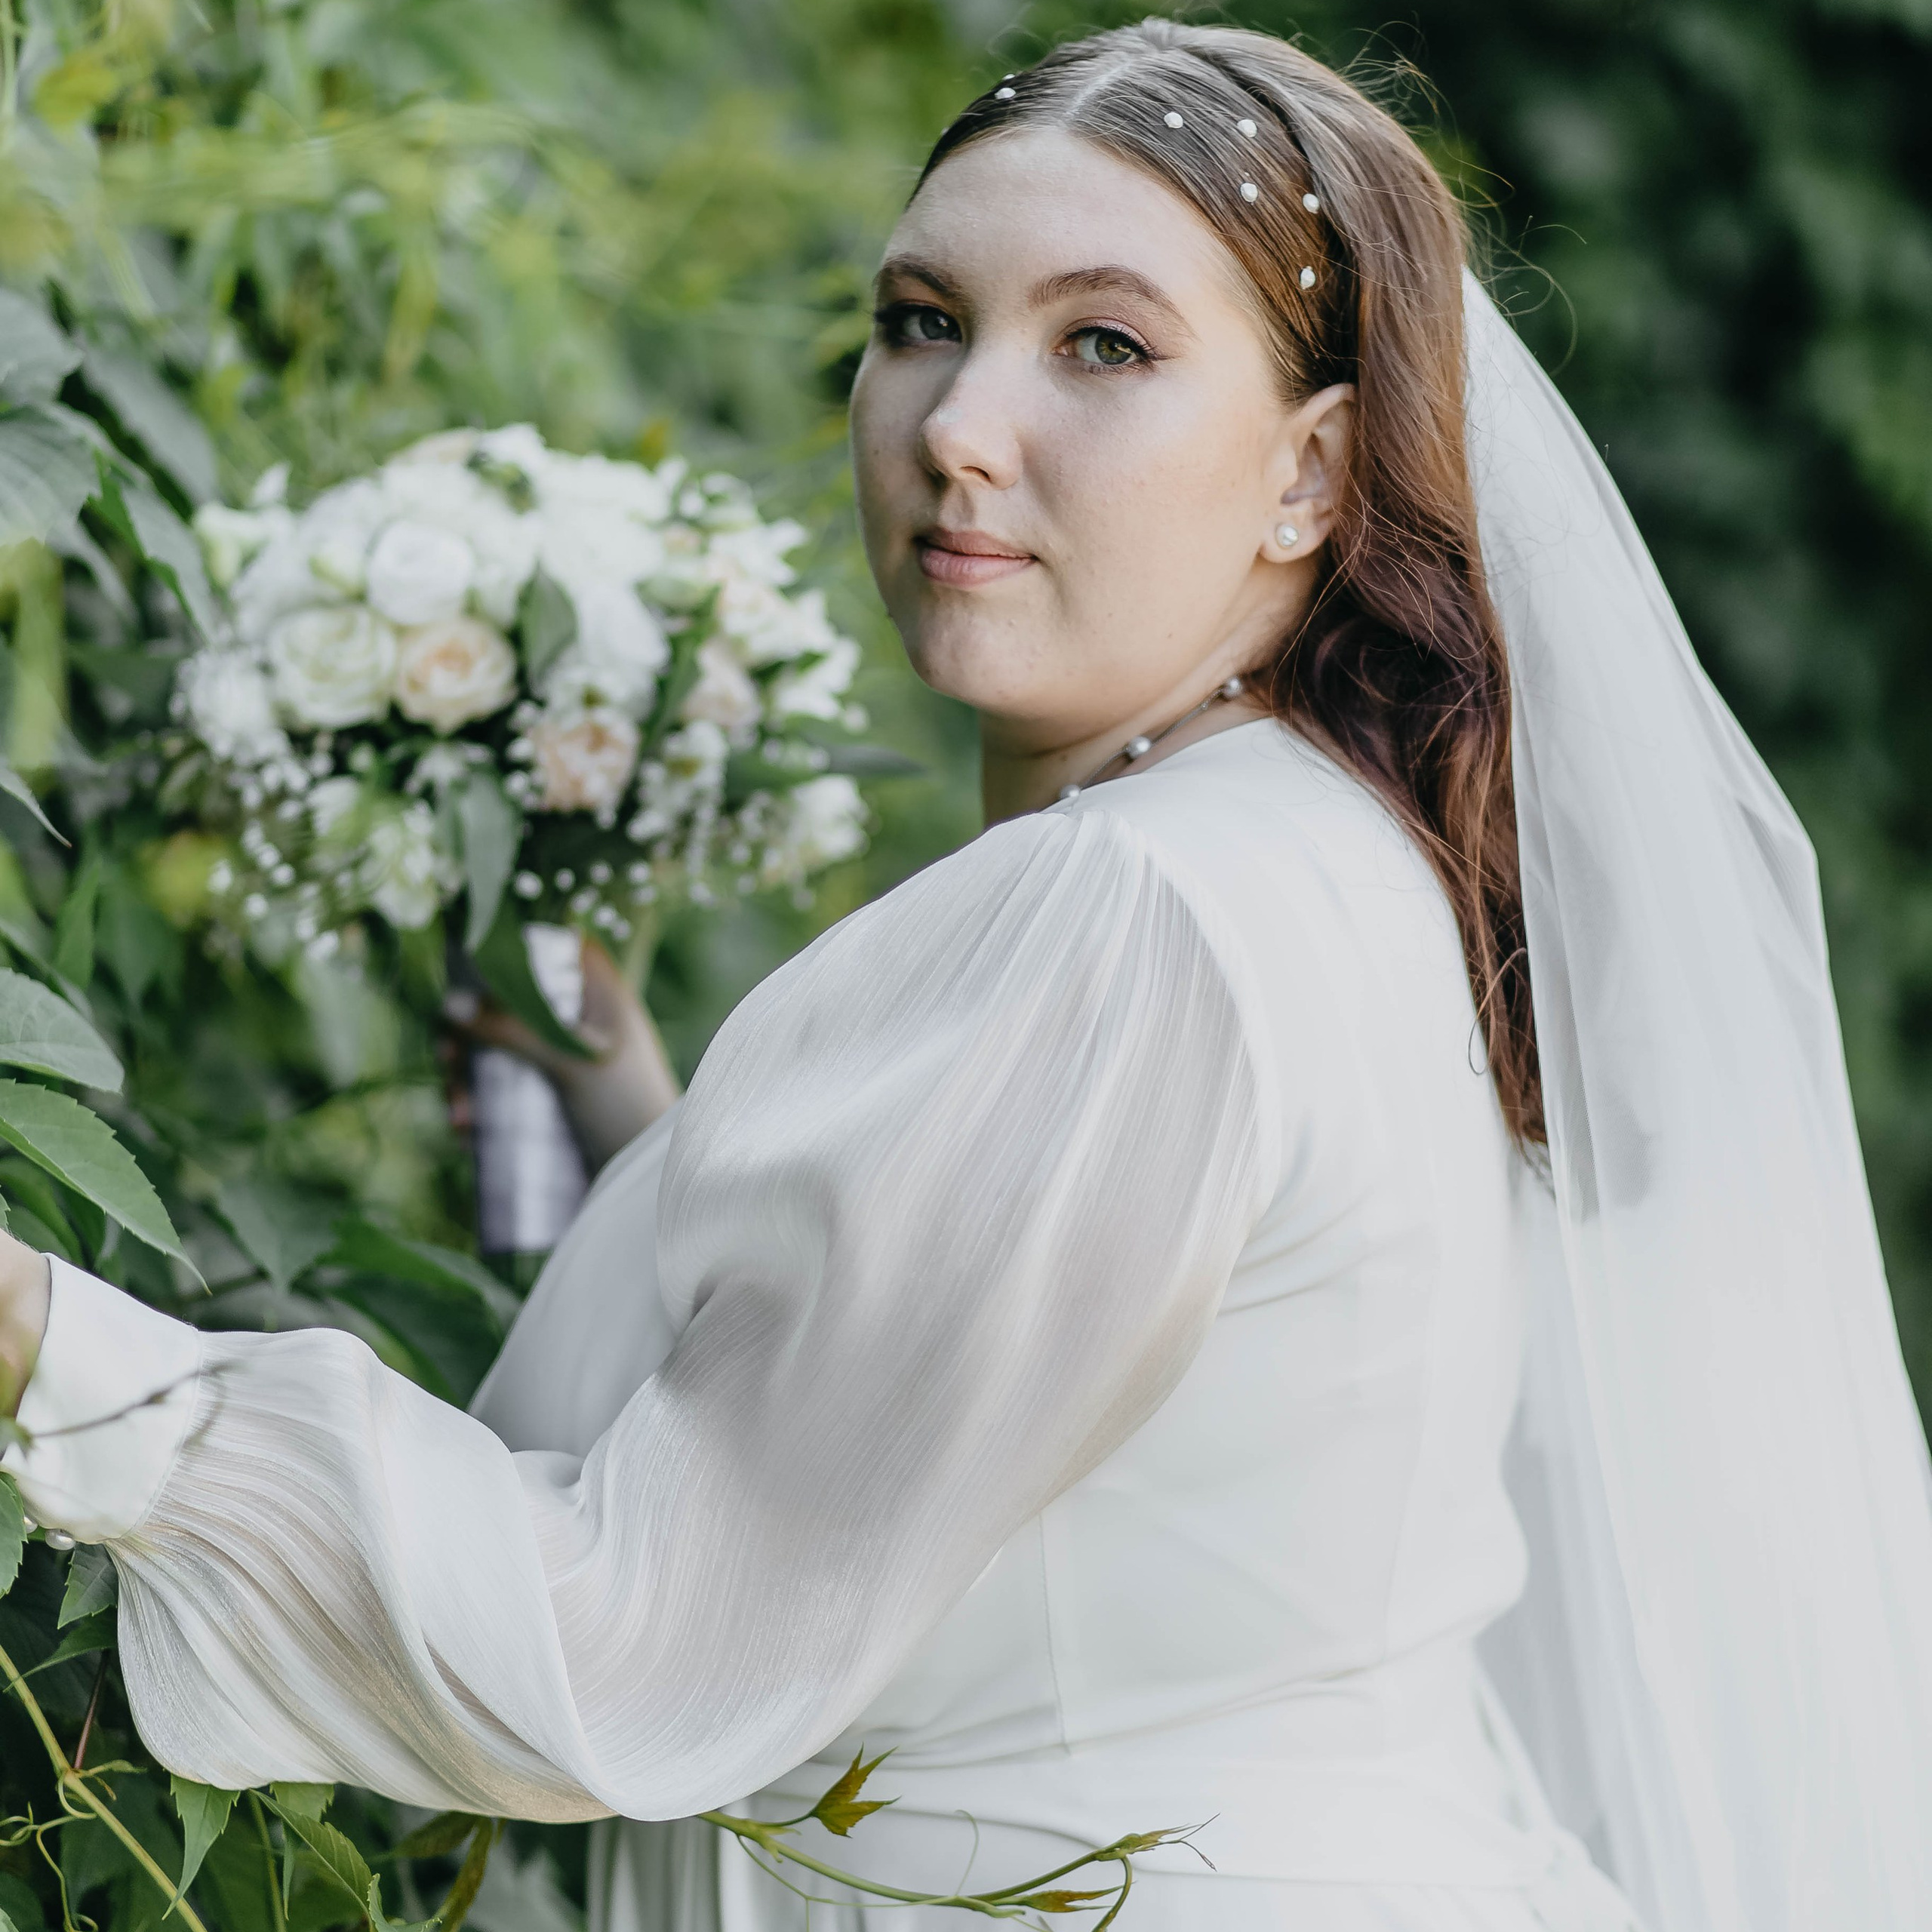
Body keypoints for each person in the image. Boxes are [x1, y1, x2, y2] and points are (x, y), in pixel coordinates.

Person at [5, 20, 1932, 1931]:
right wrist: (649, 1137)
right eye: (921, 318)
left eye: (1102, 344)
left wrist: (46, 1341)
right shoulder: (1342, 855)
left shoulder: (1138, 914)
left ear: (1310, 469)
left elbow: (627, 1645)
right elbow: (1055, 1454)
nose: (953, 427)